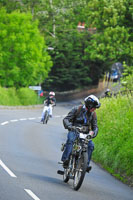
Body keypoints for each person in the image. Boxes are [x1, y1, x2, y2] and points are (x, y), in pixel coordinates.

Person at [61, 94, 101, 172]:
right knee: (70, 139)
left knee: (91, 145)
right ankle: (65, 160)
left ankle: (86, 165)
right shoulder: (76, 109)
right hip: (74, 130)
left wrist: (94, 133)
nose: (95, 109)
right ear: (89, 106)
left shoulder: (93, 114)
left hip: (85, 133)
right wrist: (70, 127)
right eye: (94, 107)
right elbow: (66, 120)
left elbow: (95, 126)